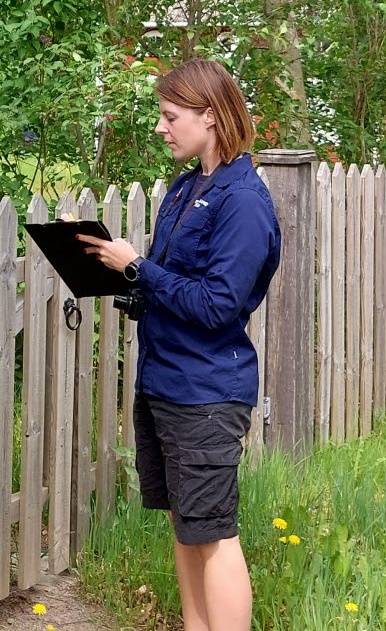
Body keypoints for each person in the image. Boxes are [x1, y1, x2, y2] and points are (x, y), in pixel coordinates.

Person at [77, 58, 281, 631]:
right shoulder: (186, 186)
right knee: (185, 524)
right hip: (164, 381)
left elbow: (218, 305)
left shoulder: (244, 202)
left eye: (171, 117)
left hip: (207, 392)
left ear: (210, 117)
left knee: (214, 532)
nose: (161, 128)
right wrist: (106, 266)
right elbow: (169, 283)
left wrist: (138, 266)